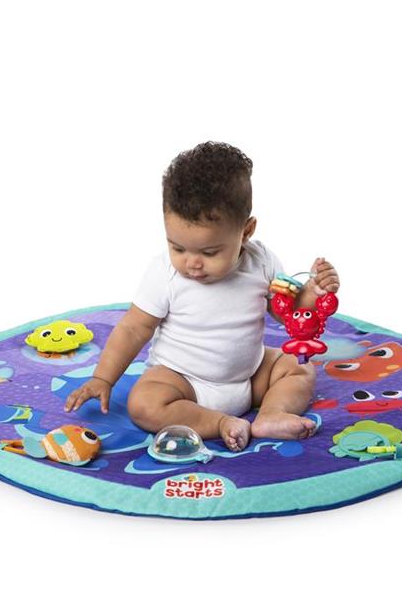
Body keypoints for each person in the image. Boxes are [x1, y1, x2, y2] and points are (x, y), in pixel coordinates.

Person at [64, 141, 340, 451]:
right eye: (178, 247)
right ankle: (220, 423)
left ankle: (271, 414)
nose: (192, 263)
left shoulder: (260, 261)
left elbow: (286, 314)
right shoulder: (164, 274)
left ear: (246, 232)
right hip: (182, 383)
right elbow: (133, 328)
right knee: (144, 404)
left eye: (209, 252)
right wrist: (103, 378)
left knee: (299, 366)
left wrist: (312, 293)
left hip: (250, 377)